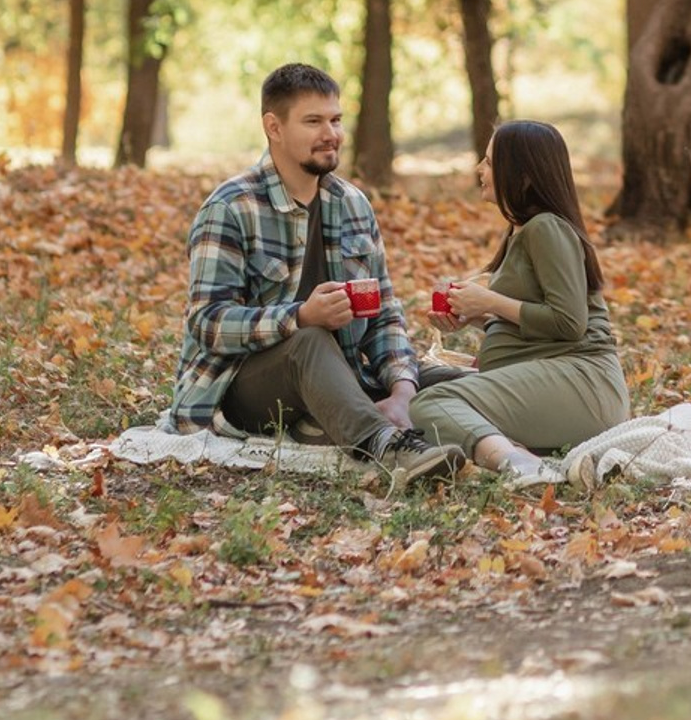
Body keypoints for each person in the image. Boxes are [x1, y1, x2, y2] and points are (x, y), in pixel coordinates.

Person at [168, 62, 464, 490]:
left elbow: (384, 316)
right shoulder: (230, 208)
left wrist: (401, 388)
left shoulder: (353, 204)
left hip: (341, 374)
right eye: (313, 121)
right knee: (308, 342)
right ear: (274, 127)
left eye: (336, 120)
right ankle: (389, 447)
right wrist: (301, 317)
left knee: (445, 379)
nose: (332, 133)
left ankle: (513, 436)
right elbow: (208, 322)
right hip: (241, 389)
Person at [410, 119, 631, 481]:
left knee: (432, 402)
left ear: (525, 176)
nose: (480, 170)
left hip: (584, 384)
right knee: (411, 379)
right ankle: (516, 449)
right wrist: (476, 315)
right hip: (558, 377)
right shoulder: (522, 231)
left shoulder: (547, 227)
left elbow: (569, 323)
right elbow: (535, 323)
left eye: (490, 163)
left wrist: (491, 303)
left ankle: (518, 463)